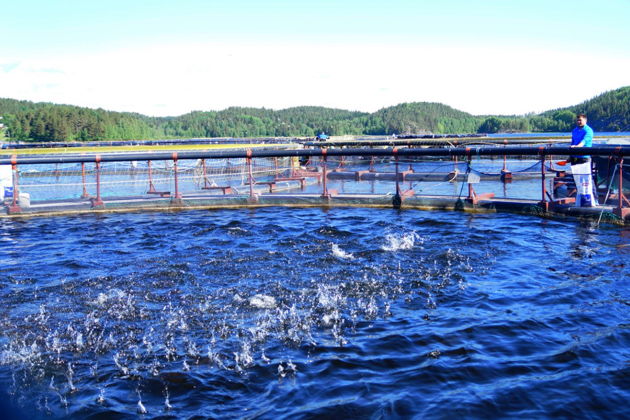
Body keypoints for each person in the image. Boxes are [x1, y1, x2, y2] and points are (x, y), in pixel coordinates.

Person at [569, 114, 597, 207]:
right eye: (577, 120)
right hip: (575, 157)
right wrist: (570, 155)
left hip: (584, 157)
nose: (578, 122)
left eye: (580, 120)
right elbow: (572, 142)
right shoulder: (574, 130)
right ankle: (580, 199)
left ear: (585, 120)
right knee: (576, 179)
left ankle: (595, 200)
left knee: (588, 179)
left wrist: (577, 147)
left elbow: (584, 141)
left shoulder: (588, 130)